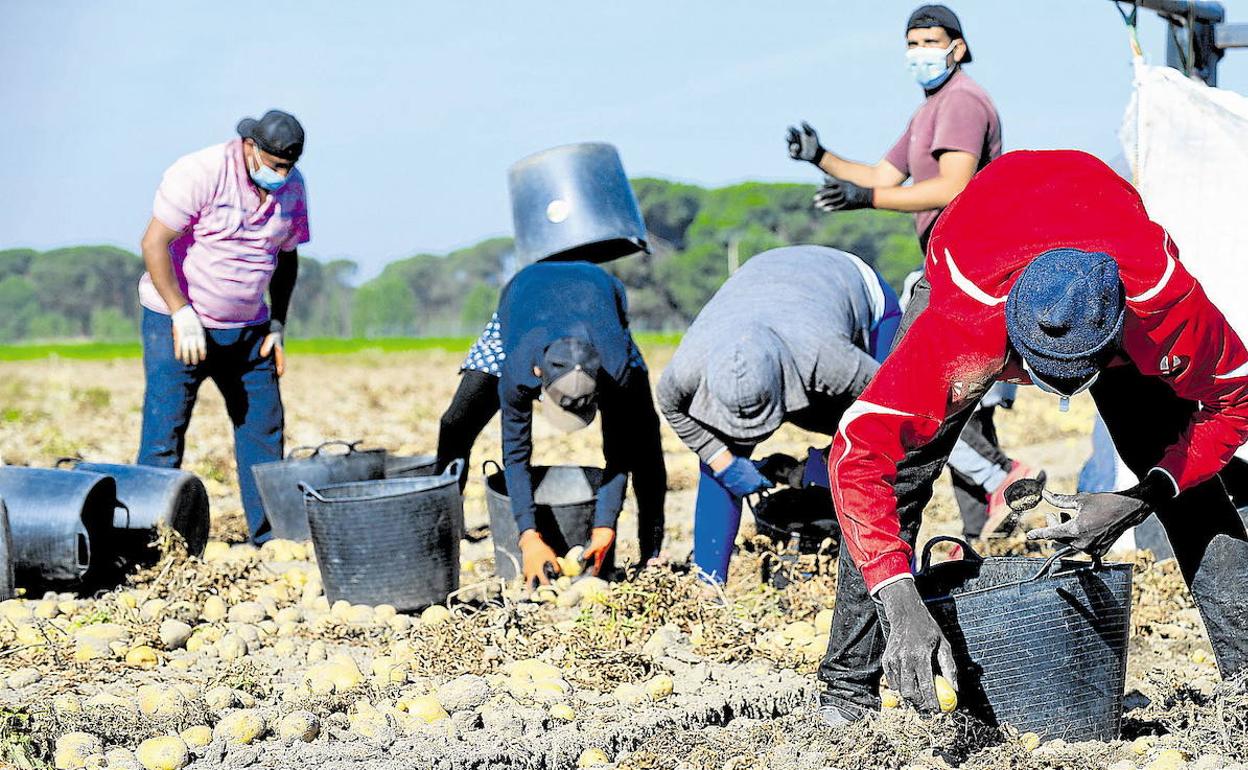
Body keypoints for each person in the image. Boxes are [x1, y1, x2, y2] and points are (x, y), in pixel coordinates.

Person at [819, 149, 1248, 723]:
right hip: (978, 253)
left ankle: (1244, 680)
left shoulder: (1166, 310)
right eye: (1034, 368)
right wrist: (898, 597)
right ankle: (846, 692)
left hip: (1101, 249)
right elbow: (858, 456)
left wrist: (1145, 495)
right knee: (900, 482)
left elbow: (1235, 400)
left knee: (1192, 490)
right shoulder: (961, 324)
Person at [786, 3, 1037, 540]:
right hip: (947, 263)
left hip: (970, 265)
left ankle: (1005, 478)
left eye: (930, 41)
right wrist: (822, 158)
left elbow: (954, 186)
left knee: (923, 386)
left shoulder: (963, 103)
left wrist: (868, 199)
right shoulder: (929, 110)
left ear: (958, 48)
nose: (919, 51)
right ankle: (984, 520)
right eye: (912, 42)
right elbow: (882, 172)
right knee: (962, 396)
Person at [435, 143, 665, 585]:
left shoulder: (615, 366)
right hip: (523, 311)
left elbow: (617, 454)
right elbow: (516, 452)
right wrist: (527, 536)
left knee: (643, 437)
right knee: (456, 422)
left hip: (597, 312)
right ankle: (442, 527)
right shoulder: (519, 364)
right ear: (539, 379)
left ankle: (651, 552)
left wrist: (605, 526)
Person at [657, 245, 901, 582]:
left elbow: (893, 410)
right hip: (763, 290)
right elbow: (671, 408)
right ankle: (709, 583)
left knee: (871, 458)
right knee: (717, 459)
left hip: (851, 287)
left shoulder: (830, 360)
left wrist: (830, 459)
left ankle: (889, 574)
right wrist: (724, 462)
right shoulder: (684, 372)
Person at [136, 110, 309, 543]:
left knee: (264, 431)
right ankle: (150, 540)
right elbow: (154, 242)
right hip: (178, 323)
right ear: (250, 147)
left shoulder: (293, 187)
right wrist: (180, 310)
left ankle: (269, 537)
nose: (281, 175)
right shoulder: (200, 172)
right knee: (165, 432)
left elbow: (286, 256)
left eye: (289, 167)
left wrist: (278, 321)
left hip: (250, 331)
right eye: (274, 165)